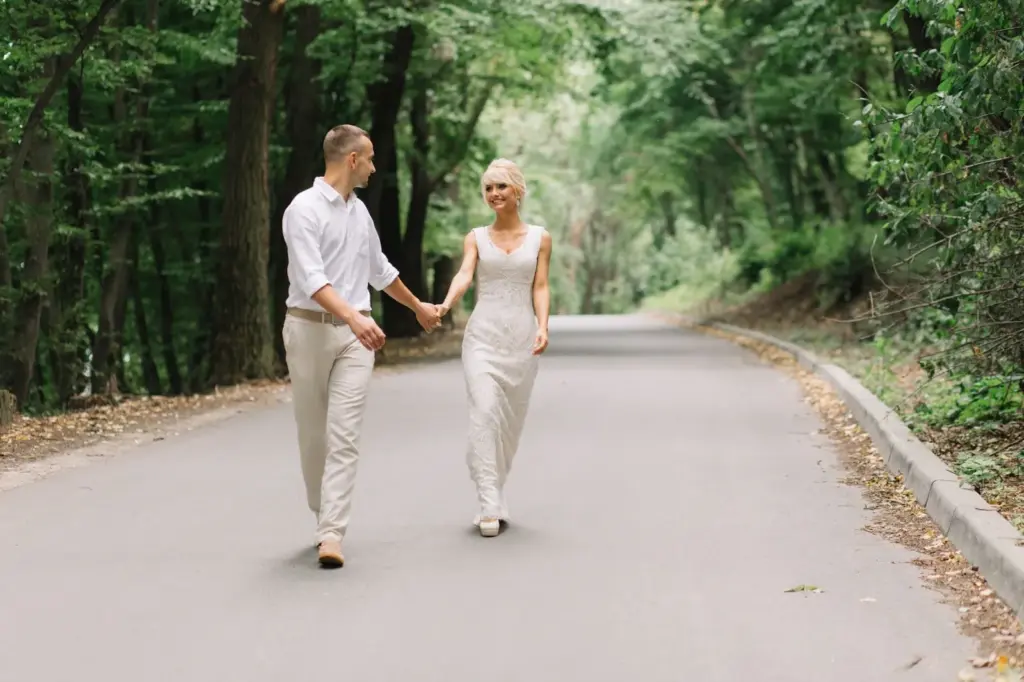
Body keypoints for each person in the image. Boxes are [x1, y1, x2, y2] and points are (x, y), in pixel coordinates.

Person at [281, 124, 441, 567]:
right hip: (308, 329)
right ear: (352, 159)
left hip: (357, 337)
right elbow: (311, 278)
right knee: (313, 435)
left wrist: (417, 307)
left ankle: (331, 532)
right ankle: (322, 512)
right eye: (369, 159)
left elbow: (380, 270)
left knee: (344, 435)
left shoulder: (359, 212)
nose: (373, 167)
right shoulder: (303, 210)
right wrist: (351, 315)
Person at [436, 158, 552, 537]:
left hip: (520, 338)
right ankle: (488, 502)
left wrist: (544, 327)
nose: (493, 194)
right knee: (485, 412)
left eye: (501, 186)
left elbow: (540, 286)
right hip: (482, 338)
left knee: (509, 424)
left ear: (517, 190)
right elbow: (465, 274)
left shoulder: (540, 238)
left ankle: (496, 490)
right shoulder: (476, 237)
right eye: (488, 188)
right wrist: (446, 304)